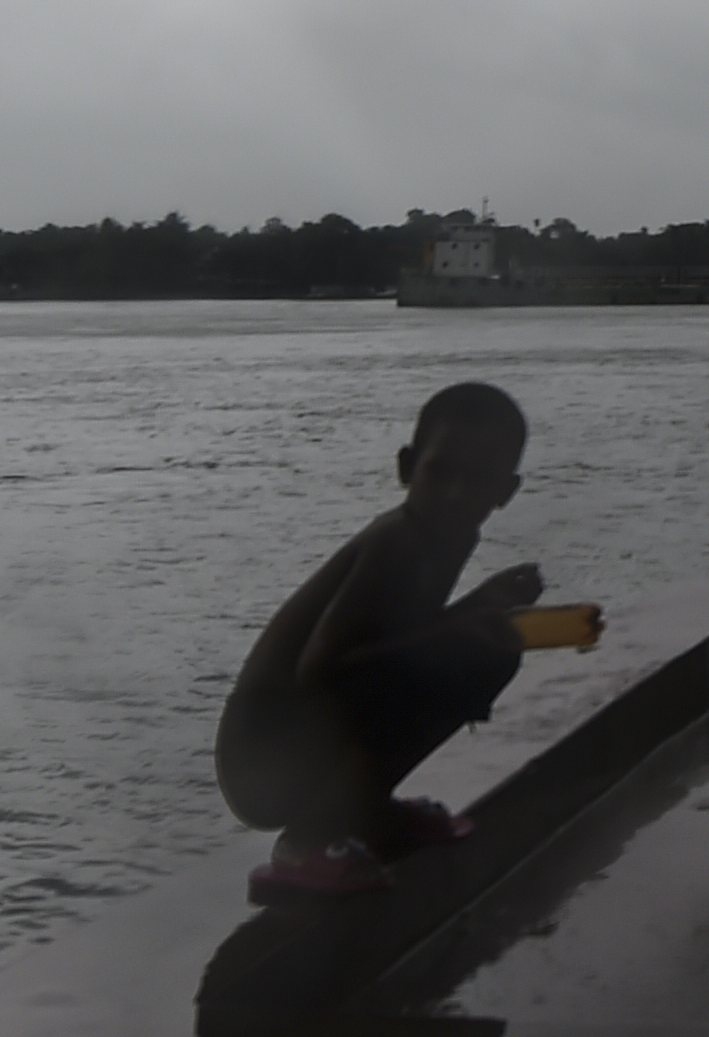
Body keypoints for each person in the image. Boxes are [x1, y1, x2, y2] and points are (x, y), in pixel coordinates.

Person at [218, 378, 549, 898]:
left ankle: (364, 810)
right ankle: (310, 838)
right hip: (265, 755)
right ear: (406, 468)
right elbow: (321, 668)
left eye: (478, 479)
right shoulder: (398, 539)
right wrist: (459, 627)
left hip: (296, 743)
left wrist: (480, 604)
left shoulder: (444, 534)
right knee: (470, 654)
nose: (456, 492)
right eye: (440, 472)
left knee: (489, 648)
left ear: (504, 492)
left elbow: (396, 638)